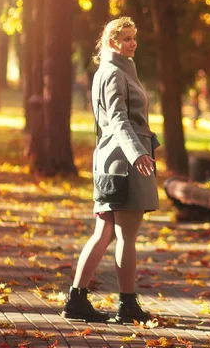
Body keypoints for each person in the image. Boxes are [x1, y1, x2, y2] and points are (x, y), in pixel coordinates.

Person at [61, 17, 159, 323]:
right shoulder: (115, 73)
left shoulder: (109, 70)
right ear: (112, 42)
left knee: (103, 232)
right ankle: (127, 304)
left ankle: (76, 299)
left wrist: (148, 141)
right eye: (127, 38)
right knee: (125, 236)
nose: (133, 43)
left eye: (134, 37)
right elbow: (118, 120)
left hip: (109, 160)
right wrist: (138, 152)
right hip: (124, 164)